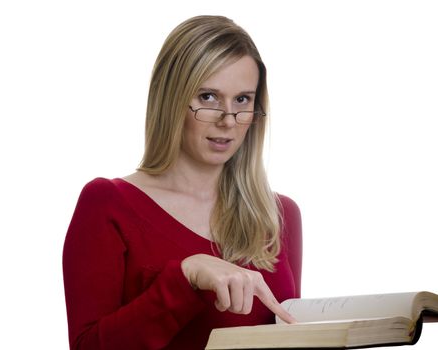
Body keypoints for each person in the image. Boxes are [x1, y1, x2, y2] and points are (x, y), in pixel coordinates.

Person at [62, 15, 302, 350]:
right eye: (208, 97)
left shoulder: (279, 214)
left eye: (243, 100)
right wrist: (185, 277)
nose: (227, 120)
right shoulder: (107, 204)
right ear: (172, 99)